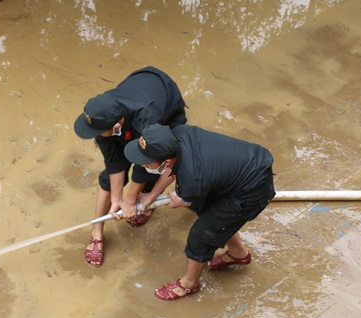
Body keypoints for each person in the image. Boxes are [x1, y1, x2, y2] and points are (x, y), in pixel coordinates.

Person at [124, 123, 275, 301]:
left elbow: (189, 198)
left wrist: (180, 201)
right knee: (214, 218)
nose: (141, 163)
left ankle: (189, 284)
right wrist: (152, 195)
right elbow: (175, 170)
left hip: (251, 188)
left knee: (202, 234)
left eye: (145, 160)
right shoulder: (178, 135)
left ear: (165, 161)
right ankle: (238, 254)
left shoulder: (193, 179)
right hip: (244, 164)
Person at [74, 66, 187, 268]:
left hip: (164, 96)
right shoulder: (102, 118)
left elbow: (144, 165)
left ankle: (145, 201)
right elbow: (113, 162)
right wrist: (117, 200)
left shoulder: (147, 119)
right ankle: (97, 231)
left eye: (98, 131)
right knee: (109, 177)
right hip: (139, 84)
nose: (94, 134)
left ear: (117, 124)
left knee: (154, 164)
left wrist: (131, 200)